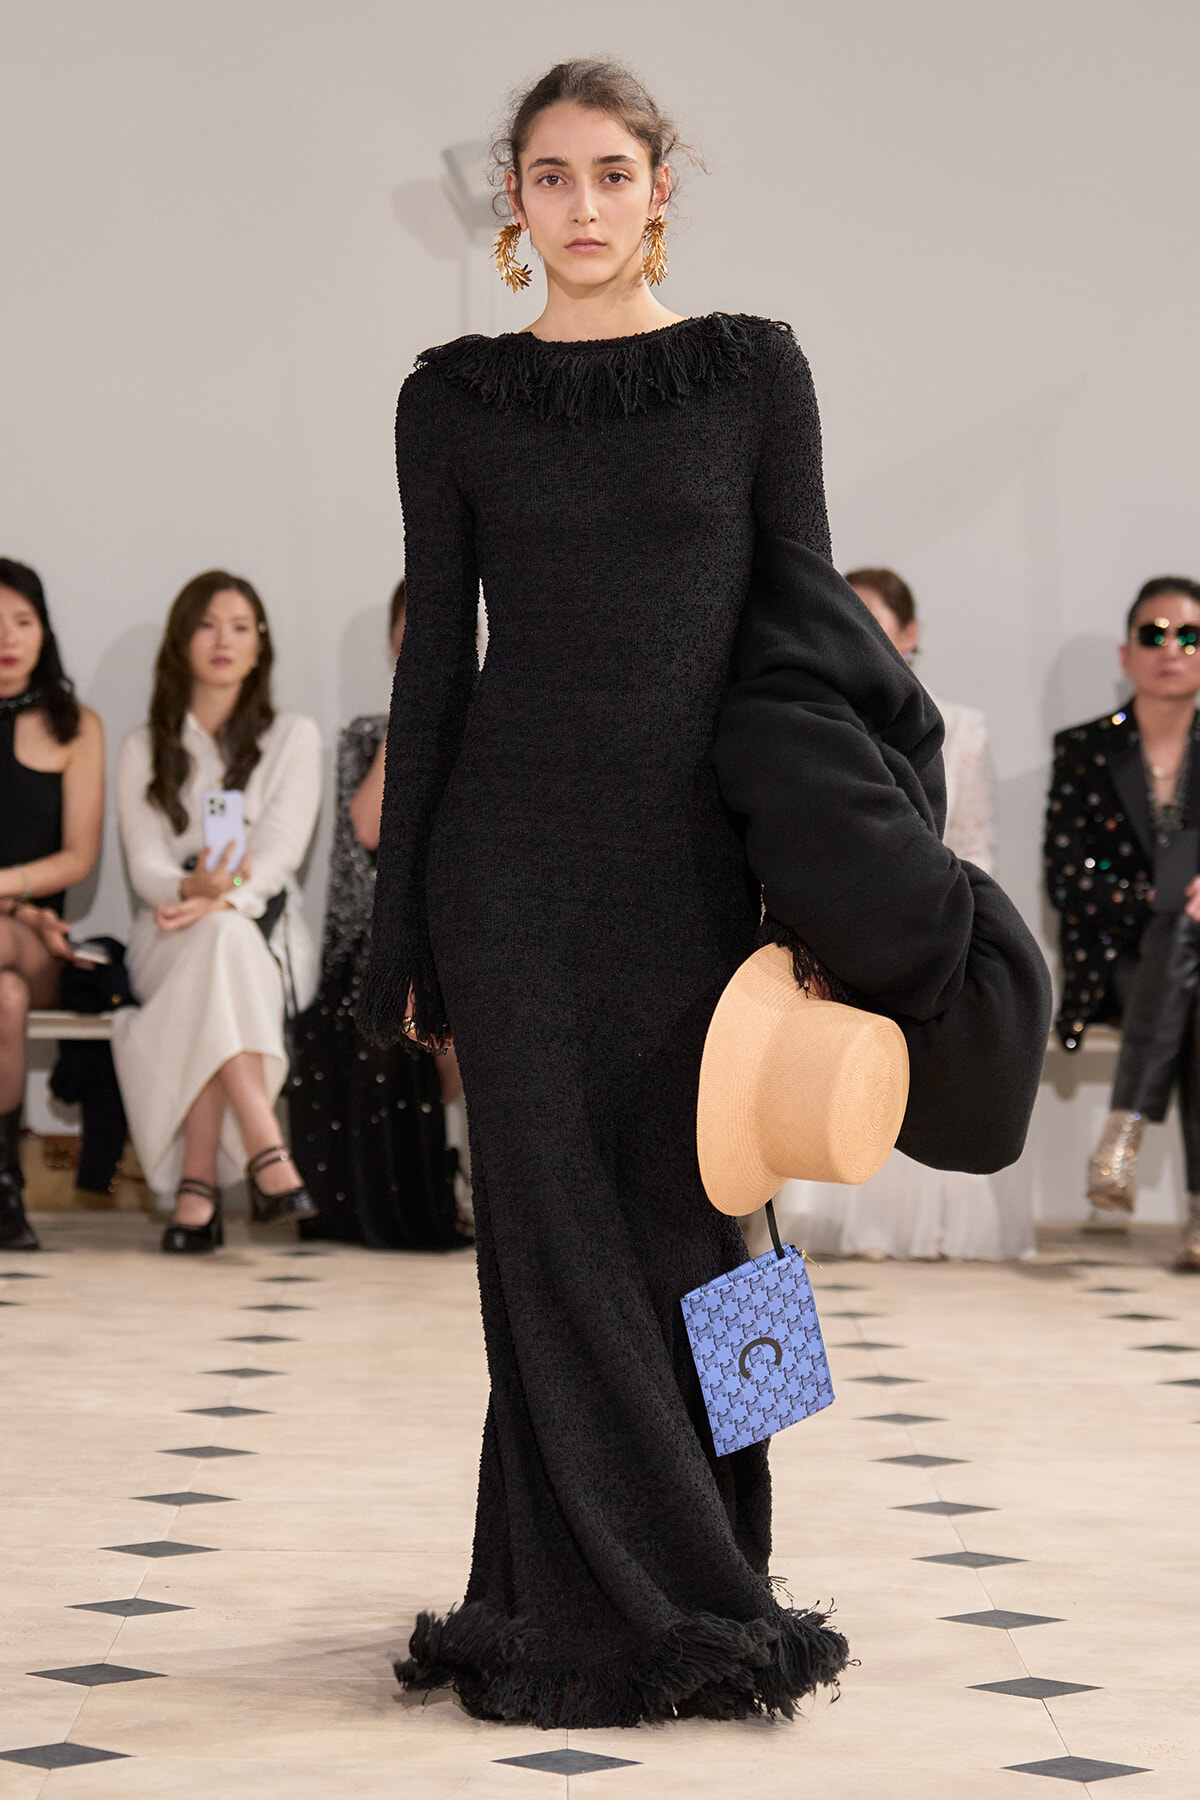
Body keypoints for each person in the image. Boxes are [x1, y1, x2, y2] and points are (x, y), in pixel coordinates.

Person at [362, 59, 1048, 1727]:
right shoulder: (449, 398)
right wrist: (402, 942)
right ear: (510, 201)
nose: (581, 206)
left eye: (611, 173)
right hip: (508, 868)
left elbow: (806, 629)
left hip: (697, 868)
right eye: (548, 178)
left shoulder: (753, 372)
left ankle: (736, 1574)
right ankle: (581, 1601)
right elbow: (437, 679)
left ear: (664, 185)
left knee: (720, 1231)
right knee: (547, 1244)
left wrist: (847, 865)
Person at [784, 567, 1032, 1260]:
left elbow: (975, 841)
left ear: (911, 634)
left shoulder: (963, 725)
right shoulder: (815, 722)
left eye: (876, 619)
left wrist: (947, 920)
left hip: (934, 918)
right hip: (839, 923)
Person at [113, 570, 322, 1253]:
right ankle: (266, 1145)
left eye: (240, 626)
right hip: (168, 932)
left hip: (265, 934)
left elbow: (281, 850)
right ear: (182, 641)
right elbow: (145, 865)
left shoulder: (293, 737)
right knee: (215, 951)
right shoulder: (145, 746)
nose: (224, 640)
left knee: (225, 943)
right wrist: (187, 894)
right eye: (207, 624)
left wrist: (222, 900)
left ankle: (196, 1187)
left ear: (261, 646)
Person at [289, 581, 466, 1248]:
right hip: (379, 941)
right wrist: (415, 712)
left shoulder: (505, 725)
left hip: (467, 931)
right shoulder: (367, 735)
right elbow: (367, 827)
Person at [1045, 574, 1200, 1270]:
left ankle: (1125, 1126)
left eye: (1190, 636)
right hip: (1114, 962)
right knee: (1185, 944)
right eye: (1154, 634)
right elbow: (1068, 879)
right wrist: (1167, 900)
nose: (1172, 648)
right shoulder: (1083, 750)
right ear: (1126, 653)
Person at [0, 558, 105, 1249]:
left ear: (44, 631)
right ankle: (5, 1184)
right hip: (13, 944)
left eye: (21, 620)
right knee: (1, 1001)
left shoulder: (75, 725)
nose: (7, 637)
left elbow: (78, 857)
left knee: (15, 978)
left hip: (40, 939)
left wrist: (10, 895)